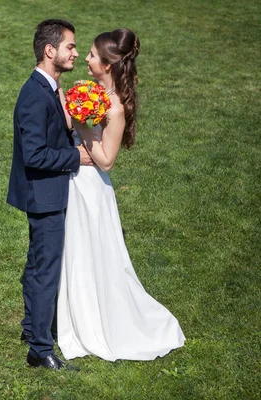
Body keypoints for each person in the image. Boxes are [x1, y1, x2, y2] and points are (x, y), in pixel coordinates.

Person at [55, 28, 186, 361]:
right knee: (77, 251)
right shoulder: (93, 92)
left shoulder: (113, 107)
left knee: (92, 255)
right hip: (75, 181)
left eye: (93, 56)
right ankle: (74, 314)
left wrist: (80, 126)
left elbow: (107, 161)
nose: (86, 58)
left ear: (109, 64)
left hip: (91, 188)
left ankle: (99, 322)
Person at [7, 19, 92, 370]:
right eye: (70, 47)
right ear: (50, 50)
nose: (74, 52)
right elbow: (35, 155)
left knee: (38, 265)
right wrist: (77, 156)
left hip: (47, 193)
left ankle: (32, 329)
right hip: (44, 197)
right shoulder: (34, 95)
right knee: (46, 270)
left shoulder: (49, 88)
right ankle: (40, 350)